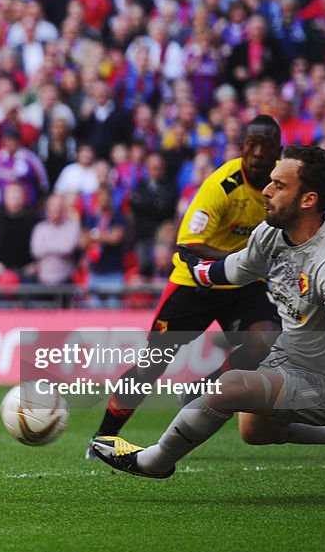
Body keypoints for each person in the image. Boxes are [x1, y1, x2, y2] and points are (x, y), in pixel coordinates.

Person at [91, 145, 325, 477]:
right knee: (255, 432)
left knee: (228, 387)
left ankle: (154, 461)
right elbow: (239, 269)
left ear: (308, 199)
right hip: (287, 359)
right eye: (270, 181)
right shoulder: (272, 232)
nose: (266, 191)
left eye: (279, 186)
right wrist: (200, 270)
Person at [88, 116, 284, 445]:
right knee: (152, 364)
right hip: (195, 281)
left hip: (243, 284)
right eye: (253, 144)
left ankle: (204, 389)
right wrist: (245, 261)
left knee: (266, 342)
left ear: (278, 150)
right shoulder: (221, 185)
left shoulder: (282, 185)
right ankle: (105, 436)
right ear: (241, 147)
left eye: (267, 146)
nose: (259, 152)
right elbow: (189, 244)